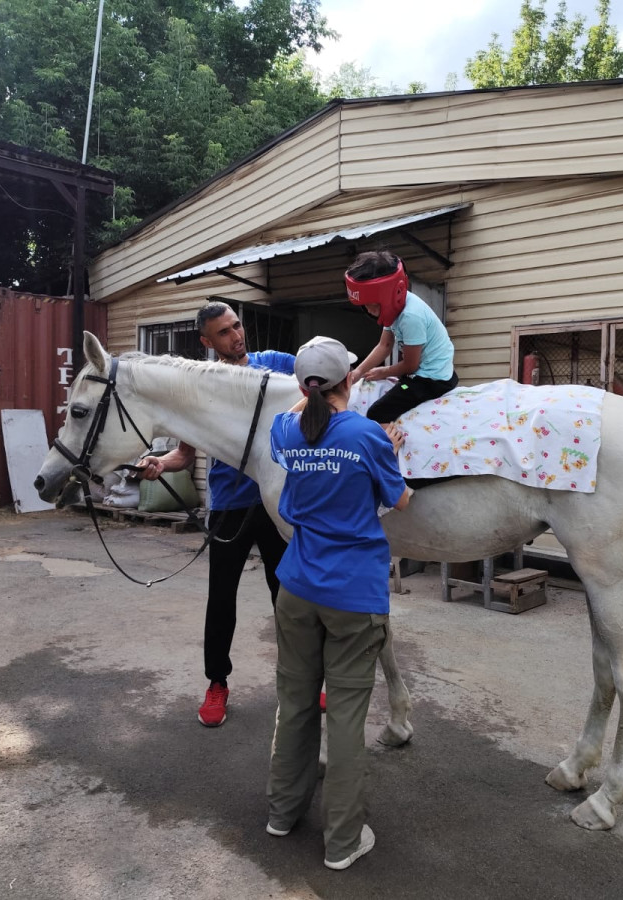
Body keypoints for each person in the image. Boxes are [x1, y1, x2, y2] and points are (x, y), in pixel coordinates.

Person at [265, 336, 411, 870]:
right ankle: (343, 842)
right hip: (353, 595)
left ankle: (282, 814)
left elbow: (296, 416)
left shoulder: (286, 430)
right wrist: (390, 450)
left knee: (296, 700)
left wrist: (309, 392)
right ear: (350, 379)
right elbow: (399, 499)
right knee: (346, 717)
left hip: (297, 588)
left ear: (305, 388)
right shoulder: (368, 435)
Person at [138, 301, 294, 728]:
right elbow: (184, 455)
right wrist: (160, 464)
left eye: (237, 326)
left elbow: (326, 386)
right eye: (224, 332)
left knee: (288, 597)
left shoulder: (277, 366)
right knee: (221, 600)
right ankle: (217, 683)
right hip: (229, 504)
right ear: (207, 342)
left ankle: (300, 682)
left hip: (276, 501)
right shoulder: (201, 389)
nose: (236, 336)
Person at [345, 250, 458, 423]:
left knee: (377, 412)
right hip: (421, 371)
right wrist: (358, 372)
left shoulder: (411, 317)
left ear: (387, 296)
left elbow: (411, 366)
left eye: (372, 305)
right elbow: (384, 345)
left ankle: (391, 448)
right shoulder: (394, 306)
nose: (369, 311)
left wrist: (384, 371)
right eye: (365, 306)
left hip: (431, 380)